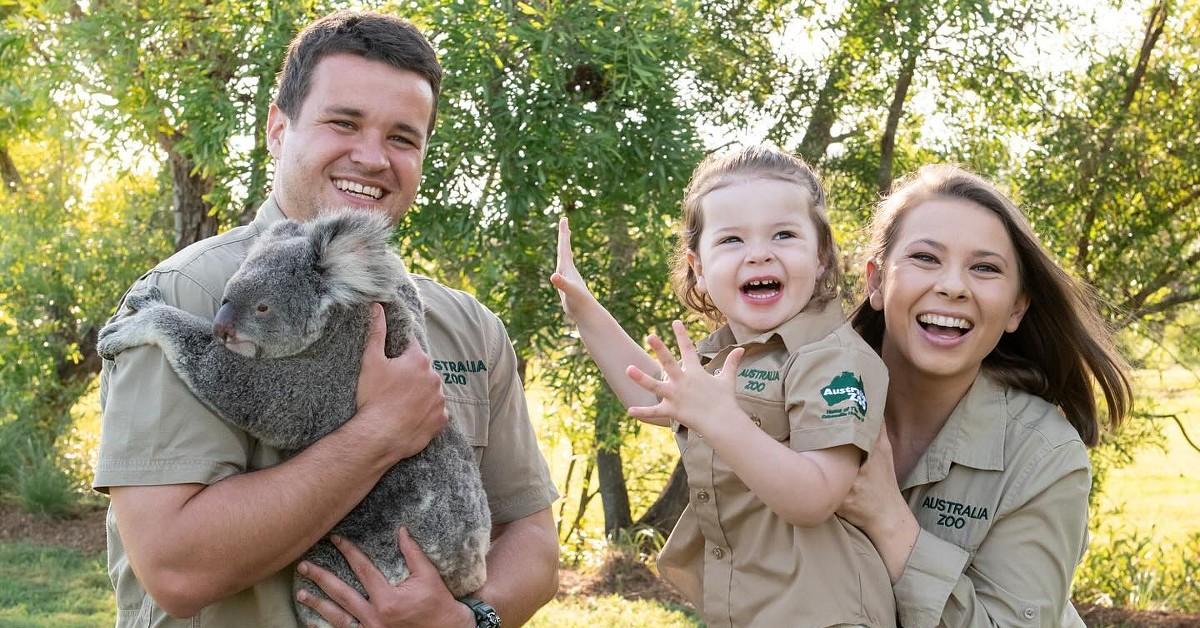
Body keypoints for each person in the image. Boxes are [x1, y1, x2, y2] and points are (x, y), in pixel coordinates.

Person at [93, 11, 559, 628]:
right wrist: (379, 433)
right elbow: (178, 570)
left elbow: (531, 538)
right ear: (278, 129)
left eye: (402, 137)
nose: (371, 157)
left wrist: (466, 621)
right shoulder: (185, 298)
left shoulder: (465, 325)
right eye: (344, 122)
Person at [551, 145, 896, 627]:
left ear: (821, 257)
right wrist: (585, 312)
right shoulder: (730, 352)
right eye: (731, 239)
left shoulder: (833, 358)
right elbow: (658, 398)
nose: (759, 253)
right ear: (697, 265)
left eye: (784, 234)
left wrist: (720, 419)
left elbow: (816, 496)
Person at [837, 164, 1132, 627]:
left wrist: (887, 519)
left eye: (985, 268)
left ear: (1016, 307)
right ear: (876, 282)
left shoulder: (1044, 456)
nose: (953, 286)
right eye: (926, 258)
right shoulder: (806, 399)